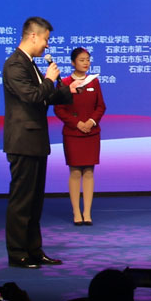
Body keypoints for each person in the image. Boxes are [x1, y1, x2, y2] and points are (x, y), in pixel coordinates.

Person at [3, 17, 83, 268]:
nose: (47, 45)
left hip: (36, 140)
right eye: (46, 39)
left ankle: (34, 250)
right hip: (22, 141)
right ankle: (17, 253)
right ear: (33, 36)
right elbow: (32, 96)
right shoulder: (14, 64)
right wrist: (49, 79)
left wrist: (67, 90)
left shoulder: (30, 64)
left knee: (35, 201)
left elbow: (45, 97)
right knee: (22, 200)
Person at [54, 48, 106, 226]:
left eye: (88, 59)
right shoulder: (64, 83)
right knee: (75, 172)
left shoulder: (94, 81)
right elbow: (59, 109)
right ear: (73, 62)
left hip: (91, 132)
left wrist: (91, 121)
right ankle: (76, 212)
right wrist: (77, 123)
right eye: (82, 60)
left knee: (89, 172)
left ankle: (87, 212)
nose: (86, 63)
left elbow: (101, 106)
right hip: (73, 133)